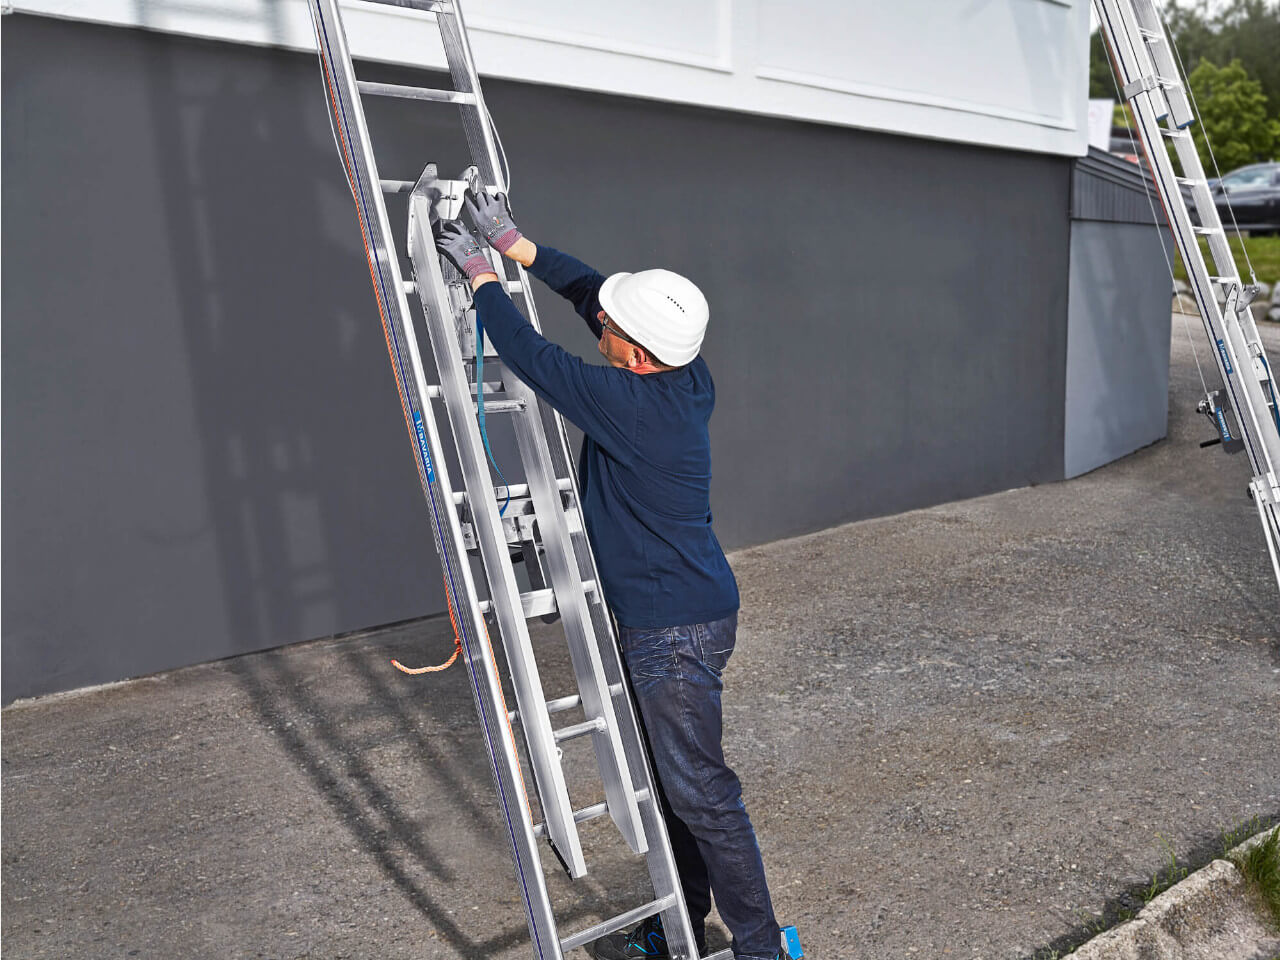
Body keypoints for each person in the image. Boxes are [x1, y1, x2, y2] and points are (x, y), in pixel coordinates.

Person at [435, 191, 781, 960]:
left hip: (673, 632)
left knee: (702, 796)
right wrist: (521, 248)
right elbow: (595, 295)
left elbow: (531, 355)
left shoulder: (626, 403)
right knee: (676, 793)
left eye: (613, 333)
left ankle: (758, 950)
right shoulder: (682, 376)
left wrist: (481, 278)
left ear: (636, 355)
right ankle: (682, 929)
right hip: (684, 613)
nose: (602, 329)